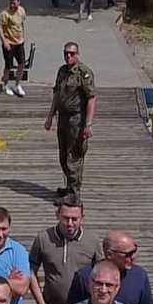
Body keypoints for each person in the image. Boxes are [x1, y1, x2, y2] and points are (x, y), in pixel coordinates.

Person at [44, 41, 97, 197]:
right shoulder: (62, 71)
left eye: (72, 53)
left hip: (77, 119)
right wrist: (50, 117)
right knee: (62, 155)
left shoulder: (83, 73)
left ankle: (74, 193)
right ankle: (69, 187)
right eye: (66, 53)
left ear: (77, 54)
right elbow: (56, 95)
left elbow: (92, 98)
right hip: (63, 118)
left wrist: (88, 124)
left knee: (73, 156)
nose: (68, 56)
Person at [0, 0, 27, 97]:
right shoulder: (5, 14)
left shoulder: (22, 11)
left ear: (19, 2)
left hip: (19, 43)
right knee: (8, 66)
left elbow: (22, 24)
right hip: (9, 43)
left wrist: (23, 36)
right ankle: (5, 85)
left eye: (14, 3)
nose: (12, 5)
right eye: (11, 3)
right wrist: (4, 41)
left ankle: (17, 85)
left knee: (22, 64)